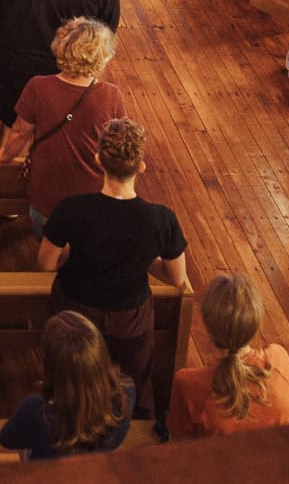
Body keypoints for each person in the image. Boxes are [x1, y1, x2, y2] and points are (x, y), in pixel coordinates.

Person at [39, 118, 191, 428]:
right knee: (132, 381)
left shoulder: (72, 209)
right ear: (141, 166)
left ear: (98, 160)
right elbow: (177, 278)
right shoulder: (160, 219)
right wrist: (141, 259)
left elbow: (46, 263)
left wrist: (78, 252)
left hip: (75, 315)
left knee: (71, 375)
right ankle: (127, 425)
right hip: (130, 321)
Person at [0, 18, 131, 234]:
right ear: (102, 55)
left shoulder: (38, 86)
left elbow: (20, 132)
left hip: (47, 191)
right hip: (91, 191)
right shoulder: (111, 95)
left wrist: (4, 155)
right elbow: (121, 145)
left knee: (46, 238)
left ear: (61, 47)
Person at [171, 274, 289, 436]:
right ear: (255, 323)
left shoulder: (188, 385)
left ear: (207, 326)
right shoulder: (279, 360)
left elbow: (179, 439)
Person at [0, 311, 135, 459]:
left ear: (50, 366)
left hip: (49, 470)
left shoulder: (36, 411)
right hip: (98, 463)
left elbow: (6, 440)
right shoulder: (127, 390)